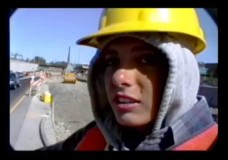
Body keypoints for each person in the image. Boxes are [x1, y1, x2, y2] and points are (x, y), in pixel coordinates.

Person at [39, 8, 218, 151]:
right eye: (111, 61)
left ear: (182, 70)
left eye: (146, 59)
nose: (118, 77)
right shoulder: (98, 134)